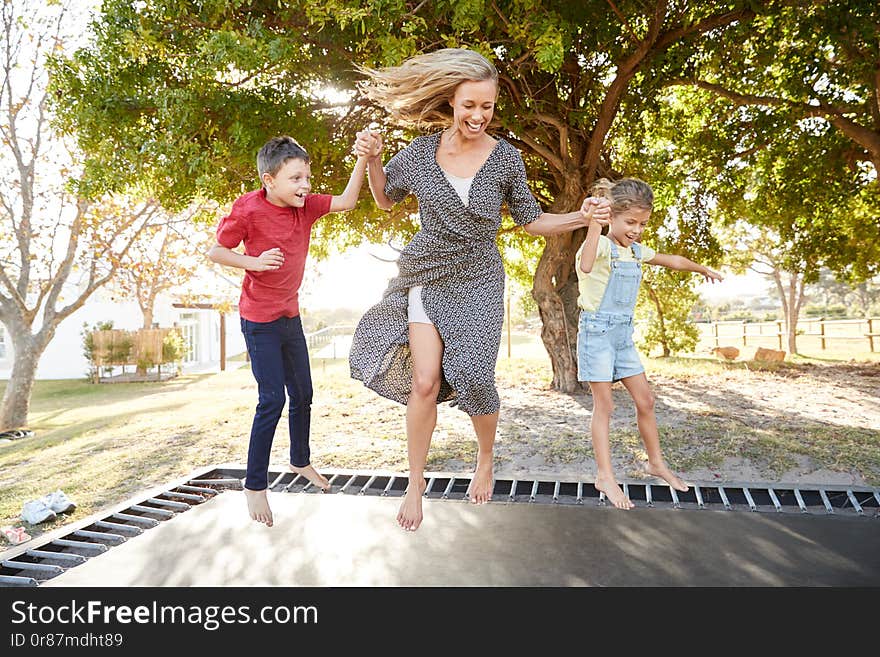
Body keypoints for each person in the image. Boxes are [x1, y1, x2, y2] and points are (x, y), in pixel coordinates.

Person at [350, 48, 611, 531]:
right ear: (452, 101)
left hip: (479, 278)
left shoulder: (506, 158)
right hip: (425, 275)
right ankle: (414, 482)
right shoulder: (420, 154)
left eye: (487, 107)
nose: (478, 115)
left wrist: (581, 216)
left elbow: (532, 221)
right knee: (424, 382)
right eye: (469, 105)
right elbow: (386, 200)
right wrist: (374, 161)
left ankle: (485, 456)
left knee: (472, 373)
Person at [208, 135, 368, 527]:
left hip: (289, 316)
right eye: (296, 178)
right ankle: (255, 485)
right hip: (259, 322)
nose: (305, 186)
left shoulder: (306, 208)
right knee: (271, 400)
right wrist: (253, 262)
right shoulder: (247, 209)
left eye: (308, 178)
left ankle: (300, 461)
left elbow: (346, 201)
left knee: (303, 393)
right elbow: (215, 251)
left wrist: (363, 158)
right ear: (269, 180)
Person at [576, 177, 723, 509]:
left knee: (647, 400)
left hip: (622, 337)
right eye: (631, 222)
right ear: (610, 216)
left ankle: (656, 463)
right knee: (606, 406)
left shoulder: (637, 252)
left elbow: (674, 261)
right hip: (596, 335)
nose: (637, 229)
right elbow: (585, 265)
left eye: (642, 223)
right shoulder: (598, 245)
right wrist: (592, 226)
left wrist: (702, 269)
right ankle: (605, 477)